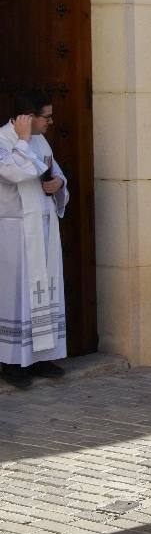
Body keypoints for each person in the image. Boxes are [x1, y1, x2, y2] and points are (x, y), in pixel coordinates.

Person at [0, 91, 68, 389]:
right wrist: (23, 140)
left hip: (43, 227)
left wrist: (59, 184)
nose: (51, 122)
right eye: (46, 116)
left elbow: (54, 174)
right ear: (27, 117)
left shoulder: (40, 140)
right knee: (16, 296)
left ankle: (42, 356)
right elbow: (15, 172)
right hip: (15, 232)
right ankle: (12, 363)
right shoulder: (4, 140)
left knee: (45, 293)